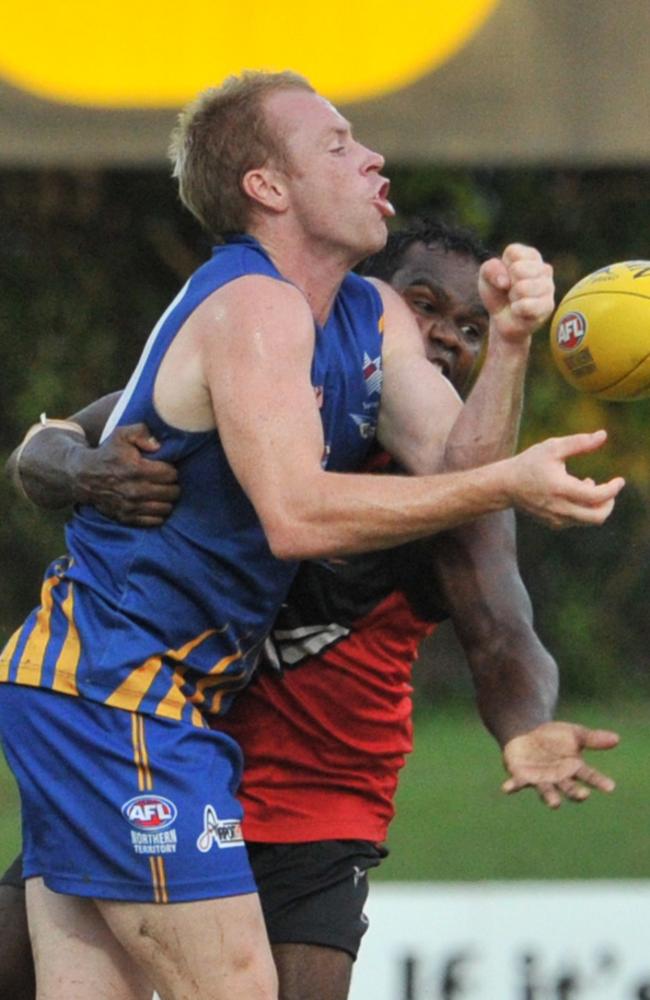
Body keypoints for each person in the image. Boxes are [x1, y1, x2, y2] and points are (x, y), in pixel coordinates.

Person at [0, 70, 624, 1000]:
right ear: (268, 186)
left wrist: (510, 344)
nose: (371, 155)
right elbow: (295, 515)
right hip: (115, 689)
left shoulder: (369, 314)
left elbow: (452, 472)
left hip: (138, 696)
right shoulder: (253, 308)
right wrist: (512, 480)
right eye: (336, 143)